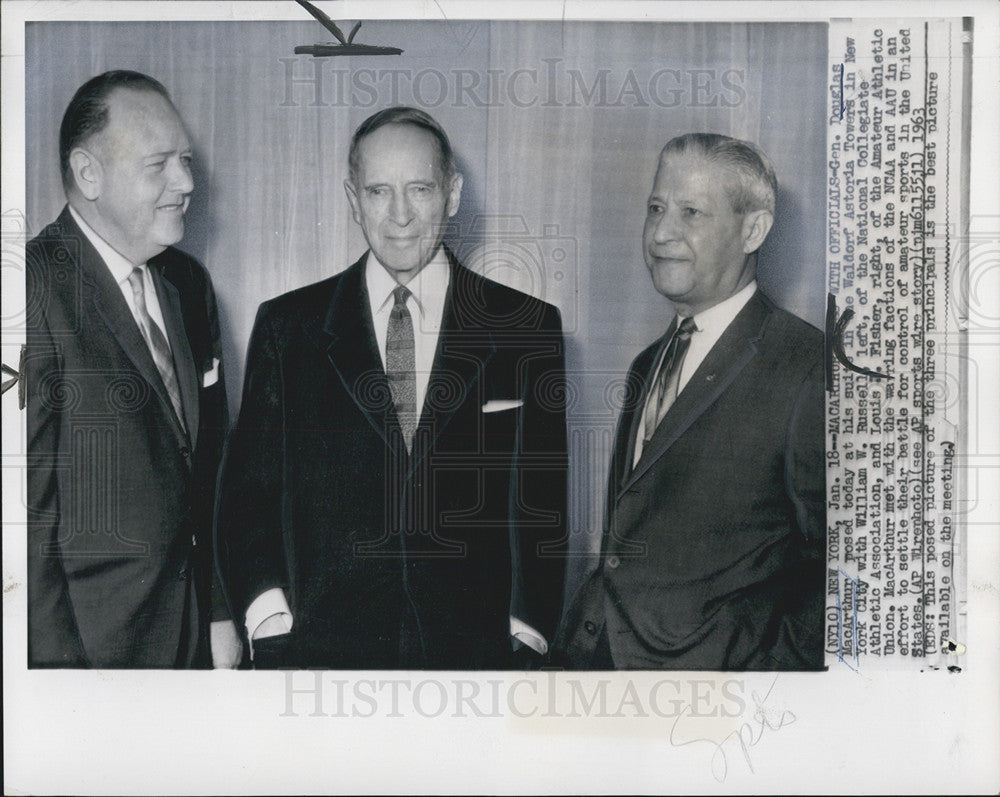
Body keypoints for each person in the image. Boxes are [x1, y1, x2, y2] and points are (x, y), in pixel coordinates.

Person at [215, 106, 567, 669]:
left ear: (451, 194)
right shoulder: (288, 327)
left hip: (476, 660)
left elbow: (542, 499)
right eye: (379, 191)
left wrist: (528, 633)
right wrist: (267, 619)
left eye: (419, 189)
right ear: (353, 200)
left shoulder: (525, 327)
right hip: (320, 654)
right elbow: (249, 495)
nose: (400, 215)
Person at [554, 133, 825, 670]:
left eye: (691, 213)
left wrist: (766, 685)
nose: (660, 233)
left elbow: (848, 569)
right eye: (656, 208)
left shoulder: (808, 365)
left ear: (753, 229)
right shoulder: (647, 364)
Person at [25, 70, 241, 668]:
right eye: (159, 165)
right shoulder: (29, 288)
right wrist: (58, 682)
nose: (187, 182)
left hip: (194, 642)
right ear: (89, 173)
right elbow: (23, 521)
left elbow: (209, 472)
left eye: (187, 160)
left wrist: (220, 609)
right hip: (93, 655)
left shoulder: (189, 285)